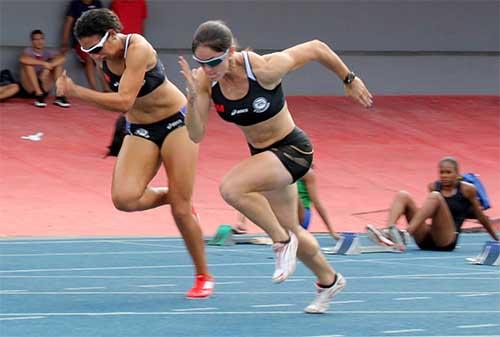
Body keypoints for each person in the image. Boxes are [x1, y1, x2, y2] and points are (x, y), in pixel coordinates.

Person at [179, 20, 372, 313]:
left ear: (230, 51)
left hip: (292, 149)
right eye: (201, 63)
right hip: (264, 156)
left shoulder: (263, 68)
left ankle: (281, 243)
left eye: (214, 62)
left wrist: (349, 79)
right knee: (291, 225)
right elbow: (196, 134)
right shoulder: (206, 82)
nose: (208, 69)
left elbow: (316, 47)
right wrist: (193, 96)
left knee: (231, 188)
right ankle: (329, 280)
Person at [56, 8, 213, 298]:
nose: (93, 54)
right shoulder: (102, 58)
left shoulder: (137, 48)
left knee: (180, 211)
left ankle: (203, 275)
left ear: (113, 34)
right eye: (86, 49)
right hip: (141, 128)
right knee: (125, 199)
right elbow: (127, 106)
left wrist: (75, 92)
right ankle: (175, 194)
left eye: (97, 47)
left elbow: (124, 100)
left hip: (177, 122)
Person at [367, 157, 499, 251]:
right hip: (426, 239)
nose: (444, 176)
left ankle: (405, 235)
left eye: (448, 172)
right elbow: (429, 214)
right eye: (441, 172)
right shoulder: (434, 186)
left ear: (458, 174)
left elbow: (481, 216)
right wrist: (413, 212)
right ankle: (389, 232)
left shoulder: (467, 189)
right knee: (403, 195)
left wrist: (496, 238)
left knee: (435, 196)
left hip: (446, 240)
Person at [19, 30, 70, 108]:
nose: (39, 42)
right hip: (30, 87)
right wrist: (44, 64)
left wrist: (48, 67)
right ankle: (38, 94)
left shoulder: (48, 52)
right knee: (28, 65)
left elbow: (62, 58)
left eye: (41, 39)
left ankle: (59, 96)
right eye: (36, 39)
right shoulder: (28, 51)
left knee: (58, 65)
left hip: (44, 84)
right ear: (32, 41)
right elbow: (22, 59)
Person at [61, 0, 104, 91]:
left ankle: (107, 89)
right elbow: (68, 23)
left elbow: (104, 23)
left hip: (96, 41)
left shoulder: (97, 3)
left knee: (104, 59)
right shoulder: (75, 4)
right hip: (81, 43)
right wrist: (64, 43)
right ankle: (94, 90)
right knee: (89, 58)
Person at [297, 168, 340, 241]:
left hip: (300, 214)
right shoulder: (281, 170)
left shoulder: (307, 174)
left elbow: (317, 204)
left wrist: (331, 231)